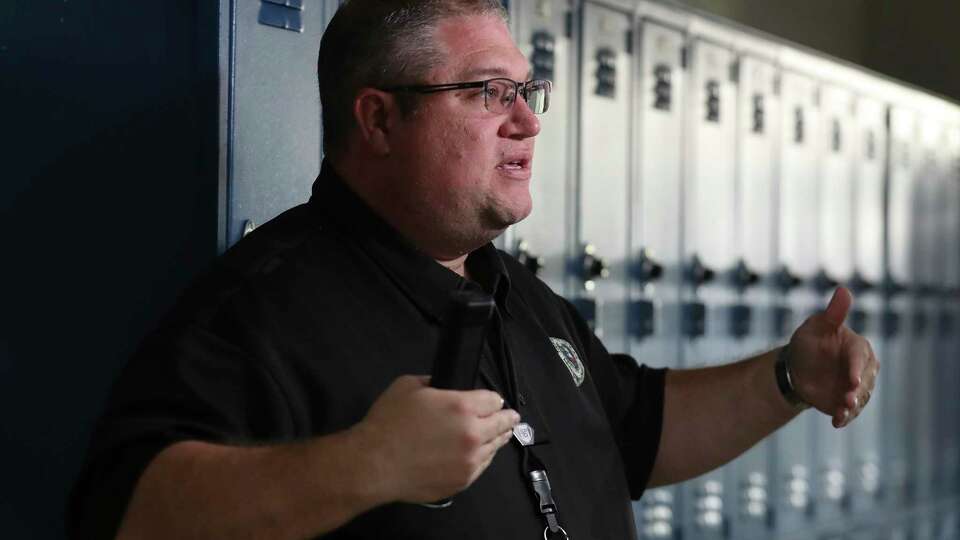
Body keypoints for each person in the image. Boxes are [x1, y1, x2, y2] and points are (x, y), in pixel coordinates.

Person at [67, 1, 879, 539]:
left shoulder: (514, 292)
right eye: (491, 93)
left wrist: (786, 378)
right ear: (379, 119)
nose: (527, 120)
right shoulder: (264, 308)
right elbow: (128, 511)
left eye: (528, 90)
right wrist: (367, 464)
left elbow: (634, 429)